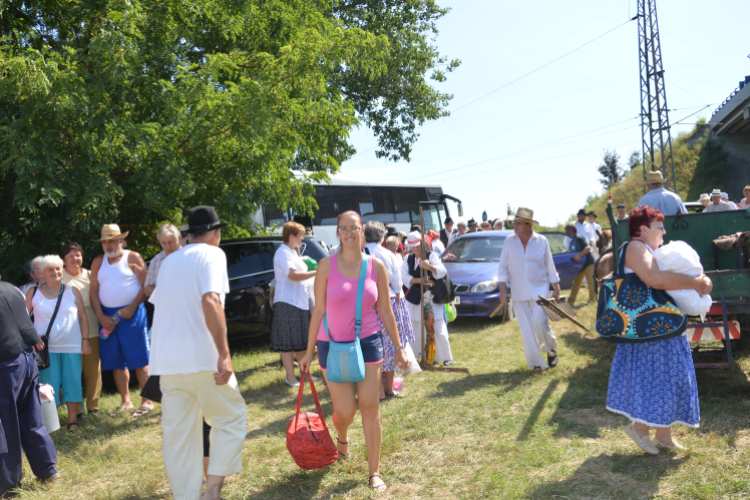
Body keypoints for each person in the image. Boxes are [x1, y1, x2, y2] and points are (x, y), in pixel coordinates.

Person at [299, 211, 408, 493]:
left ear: (363, 232)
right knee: (345, 411)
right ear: (337, 233)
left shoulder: (376, 267)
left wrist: (398, 347)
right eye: (343, 228)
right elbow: (319, 311)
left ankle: (374, 472)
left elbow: (385, 310)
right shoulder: (325, 266)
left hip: (368, 343)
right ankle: (343, 435)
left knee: (370, 409)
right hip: (331, 344)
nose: (349, 233)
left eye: (354, 228)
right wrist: (308, 351)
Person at [149, 205, 246, 500]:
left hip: (168, 363)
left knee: (178, 440)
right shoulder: (213, 254)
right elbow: (211, 300)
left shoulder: (168, 262)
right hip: (204, 360)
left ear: (189, 235)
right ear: (216, 234)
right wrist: (224, 354)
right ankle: (213, 489)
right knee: (230, 419)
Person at [606, 206, 711, 454]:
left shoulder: (650, 250)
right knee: (653, 378)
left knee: (669, 377)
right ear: (642, 229)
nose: (664, 231)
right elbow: (655, 279)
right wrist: (697, 283)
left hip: (660, 325)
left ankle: (664, 435)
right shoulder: (634, 247)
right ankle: (639, 429)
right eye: (659, 226)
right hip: (647, 328)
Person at [0, 279, 60, 496]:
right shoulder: (10, 288)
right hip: (26, 360)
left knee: (6, 428)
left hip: (6, 365)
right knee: (31, 418)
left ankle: (8, 486)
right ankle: (48, 471)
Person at [89, 224, 153, 418]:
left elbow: (147, 284)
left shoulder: (133, 257)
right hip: (106, 317)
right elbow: (93, 291)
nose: (108, 244)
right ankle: (126, 401)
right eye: (105, 241)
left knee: (140, 358)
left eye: (112, 240)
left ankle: (147, 400)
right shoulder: (98, 262)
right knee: (116, 361)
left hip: (132, 314)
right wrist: (100, 315)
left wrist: (132, 306)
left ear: (121, 241)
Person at [26, 255, 91, 432]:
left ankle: (72, 421)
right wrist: (33, 337)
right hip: (45, 349)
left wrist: (85, 341)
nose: (55, 272)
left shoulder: (72, 291)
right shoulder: (33, 292)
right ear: (42, 273)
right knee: (49, 385)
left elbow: (83, 318)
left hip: (72, 346)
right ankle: (51, 424)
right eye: (50, 269)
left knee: (72, 382)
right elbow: (23, 319)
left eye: (58, 268)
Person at [498, 208, 560, 371]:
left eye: (518, 223)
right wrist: (503, 292)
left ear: (529, 224)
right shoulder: (509, 241)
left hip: (540, 290)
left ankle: (550, 348)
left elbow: (550, 266)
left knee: (540, 323)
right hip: (519, 292)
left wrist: (556, 288)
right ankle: (536, 362)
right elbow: (503, 268)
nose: (515, 225)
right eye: (514, 222)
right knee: (527, 330)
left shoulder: (542, 241)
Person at [363, 221, 411, 399]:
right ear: (382, 236)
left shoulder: (361, 254)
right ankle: (389, 387)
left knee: (373, 345)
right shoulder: (389, 254)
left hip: (368, 302)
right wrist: (397, 294)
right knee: (390, 345)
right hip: (390, 298)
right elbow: (398, 283)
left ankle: (379, 390)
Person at [271, 221, 317, 387]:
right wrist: (317, 272)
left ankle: (305, 373)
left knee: (301, 341)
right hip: (287, 302)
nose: (302, 238)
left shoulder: (292, 252)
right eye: (300, 235)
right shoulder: (283, 253)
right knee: (288, 343)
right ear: (291, 236)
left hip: (300, 303)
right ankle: (290, 377)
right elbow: (293, 275)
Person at [400, 231, 454, 366]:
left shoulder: (432, 255)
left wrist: (428, 266)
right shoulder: (408, 259)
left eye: (418, 246)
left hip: (431, 296)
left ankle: (447, 358)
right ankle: (422, 355)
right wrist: (421, 280)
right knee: (415, 326)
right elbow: (404, 277)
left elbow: (442, 271)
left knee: (436, 325)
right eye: (413, 247)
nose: (416, 250)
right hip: (415, 297)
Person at [61, 242, 102, 418]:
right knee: (72, 373)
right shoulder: (58, 276)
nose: (75, 259)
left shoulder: (91, 275)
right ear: (63, 260)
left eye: (78, 255)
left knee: (93, 371)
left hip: (91, 329)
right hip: (68, 333)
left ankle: (93, 407)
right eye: (70, 256)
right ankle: (77, 409)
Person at [143, 223, 182, 298]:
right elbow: (147, 289)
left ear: (179, 238)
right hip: (162, 307)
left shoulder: (188, 257)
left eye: (171, 242)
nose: (168, 246)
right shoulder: (156, 260)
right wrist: (167, 294)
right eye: (163, 243)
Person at [564, 223, 596, 305]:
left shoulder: (579, 237)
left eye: (566, 231)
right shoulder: (572, 241)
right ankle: (571, 299)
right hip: (580, 265)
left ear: (571, 231)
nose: (566, 233)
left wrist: (579, 255)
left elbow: (588, 247)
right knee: (576, 282)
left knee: (591, 282)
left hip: (588, 263)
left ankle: (593, 300)